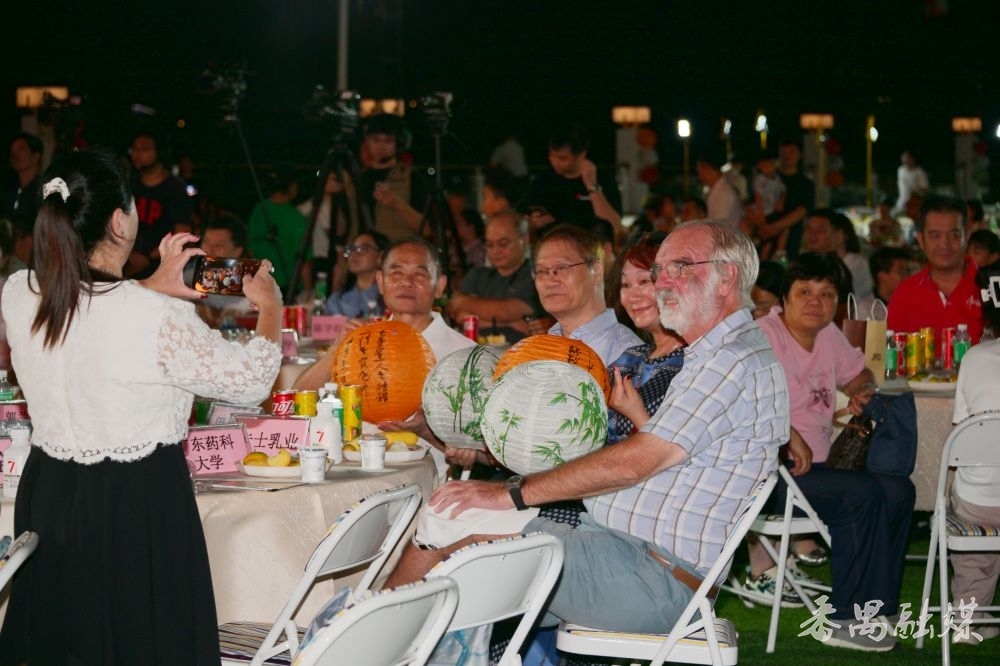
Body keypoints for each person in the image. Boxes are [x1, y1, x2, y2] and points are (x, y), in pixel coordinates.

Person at [384, 219, 789, 638]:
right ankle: (374, 630)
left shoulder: (730, 360)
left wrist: (511, 493)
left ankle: (369, 634)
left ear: (727, 277)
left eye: (679, 267)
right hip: (617, 547)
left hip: (647, 578)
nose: (663, 282)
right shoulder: (715, 354)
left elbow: (637, 460)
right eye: (660, 270)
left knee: (458, 550)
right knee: (451, 520)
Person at [0, 146, 283, 665]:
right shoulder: (153, 315)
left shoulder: (19, 291)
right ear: (119, 220)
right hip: (137, 500)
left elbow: (91, 314)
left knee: (65, 639)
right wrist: (270, 306)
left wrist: (152, 285)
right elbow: (251, 382)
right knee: (144, 639)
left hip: (48, 491)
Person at [751, 252, 915, 652]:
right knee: (860, 495)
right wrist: (787, 432)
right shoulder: (763, 336)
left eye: (826, 294)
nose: (816, 302)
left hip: (823, 468)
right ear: (784, 299)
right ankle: (846, 619)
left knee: (898, 491)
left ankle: (879, 606)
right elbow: (746, 399)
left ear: (837, 302)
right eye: (805, 292)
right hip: (770, 473)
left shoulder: (828, 335)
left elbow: (861, 373)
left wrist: (862, 390)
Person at [293, 237, 474, 480]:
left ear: (440, 286)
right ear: (380, 282)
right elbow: (298, 401)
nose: (406, 282)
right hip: (349, 470)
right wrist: (338, 348)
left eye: (419, 274)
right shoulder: (362, 341)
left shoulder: (465, 354)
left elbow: (477, 452)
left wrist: (427, 432)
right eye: (396, 273)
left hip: (424, 482)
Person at [948, 260, 1000, 644]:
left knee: (968, 489)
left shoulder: (974, 358)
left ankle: (967, 619)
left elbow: (963, 430)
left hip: (981, 500)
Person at [606, 232, 685, 444]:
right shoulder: (630, 358)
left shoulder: (694, 362)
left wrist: (636, 414)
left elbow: (678, 456)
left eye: (644, 281)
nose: (633, 296)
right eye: (625, 285)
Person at [533, 224, 640, 364]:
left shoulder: (628, 355)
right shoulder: (538, 351)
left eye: (562, 268)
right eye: (541, 271)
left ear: (596, 270)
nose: (550, 281)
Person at [887, 194, 984, 343]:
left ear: (967, 237)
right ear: (921, 240)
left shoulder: (991, 288)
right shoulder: (904, 295)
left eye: (954, 235)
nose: (944, 244)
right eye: (935, 235)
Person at [446, 210, 540, 344]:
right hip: (476, 352)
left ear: (524, 239)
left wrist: (462, 301)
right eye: (489, 244)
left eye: (503, 244)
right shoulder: (476, 275)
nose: (495, 251)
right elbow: (460, 316)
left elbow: (506, 312)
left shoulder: (536, 274)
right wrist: (509, 324)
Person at [522, 125, 623, 237]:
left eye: (562, 158)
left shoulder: (603, 178)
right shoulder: (544, 180)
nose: (555, 162)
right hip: (553, 242)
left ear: (581, 155)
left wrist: (592, 185)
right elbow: (522, 218)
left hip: (590, 243)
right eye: (551, 156)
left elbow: (615, 226)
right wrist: (533, 225)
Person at [126, 130, 195, 279]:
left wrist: (149, 258)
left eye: (145, 149)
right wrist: (130, 255)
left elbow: (181, 232)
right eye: (134, 149)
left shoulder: (175, 188)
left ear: (159, 152)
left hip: (160, 268)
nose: (137, 154)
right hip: (128, 263)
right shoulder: (130, 185)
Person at [358, 114, 427, 241]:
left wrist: (397, 204)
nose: (380, 146)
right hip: (364, 250)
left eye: (388, 141)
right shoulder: (358, 178)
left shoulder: (412, 178)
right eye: (375, 140)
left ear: (399, 143)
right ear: (367, 141)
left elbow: (426, 228)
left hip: (399, 248)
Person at [246, 164, 312, 298]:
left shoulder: (259, 209)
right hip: (288, 287)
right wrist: (308, 292)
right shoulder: (297, 218)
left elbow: (250, 247)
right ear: (292, 186)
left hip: (260, 282)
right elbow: (304, 262)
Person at [755, 138, 813, 259]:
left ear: (800, 155)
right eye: (783, 152)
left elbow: (801, 211)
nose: (787, 156)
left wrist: (774, 227)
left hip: (790, 241)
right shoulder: (766, 178)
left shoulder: (805, 184)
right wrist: (763, 225)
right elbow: (753, 203)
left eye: (791, 152)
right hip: (763, 234)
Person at [322, 230, 390, 318]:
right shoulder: (337, 301)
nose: (353, 253)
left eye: (362, 249)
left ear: (380, 256)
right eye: (351, 249)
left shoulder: (390, 300)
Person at [3, 132, 43, 265]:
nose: (15, 154)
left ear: (36, 156)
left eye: (21, 149)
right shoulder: (8, 191)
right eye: (12, 151)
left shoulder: (43, 191)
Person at [858, 246, 911, 314]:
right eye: (901, 272)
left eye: (908, 271)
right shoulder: (867, 308)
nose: (908, 277)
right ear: (882, 275)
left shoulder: (912, 302)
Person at [695, 154, 742, 230]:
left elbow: (717, 226)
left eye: (700, 172)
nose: (699, 177)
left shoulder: (724, 193)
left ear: (707, 169)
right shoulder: (716, 190)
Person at [894, 150, 929, 216]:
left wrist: (914, 191)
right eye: (903, 159)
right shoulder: (900, 170)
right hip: (902, 202)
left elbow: (925, 187)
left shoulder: (919, 172)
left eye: (907, 159)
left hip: (915, 202)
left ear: (912, 159)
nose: (905, 161)